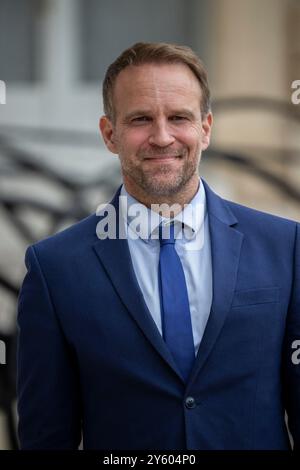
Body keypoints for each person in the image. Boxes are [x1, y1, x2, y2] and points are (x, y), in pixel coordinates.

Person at [17, 42, 299, 450]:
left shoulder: (285, 247)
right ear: (109, 134)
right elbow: (46, 437)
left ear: (205, 128)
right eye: (141, 119)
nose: (162, 136)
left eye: (179, 117)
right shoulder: (55, 269)